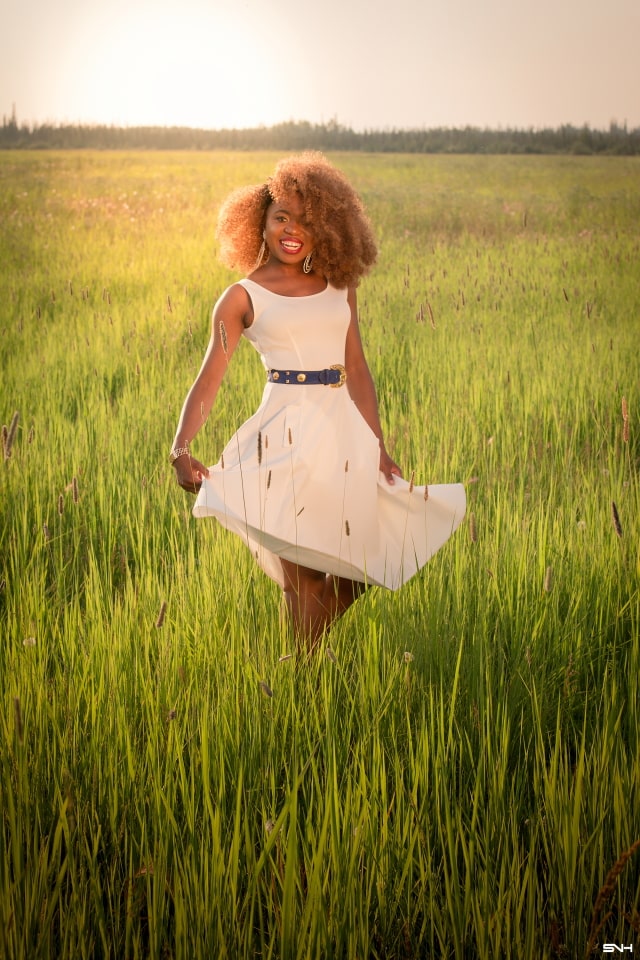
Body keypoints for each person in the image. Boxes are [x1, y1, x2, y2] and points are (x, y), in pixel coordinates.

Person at [170, 152, 465, 650]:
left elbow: (359, 370)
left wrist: (377, 445)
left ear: (325, 224)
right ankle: (306, 680)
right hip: (281, 441)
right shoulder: (241, 298)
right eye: (281, 216)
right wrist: (181, 448)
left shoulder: (339, 285)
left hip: (342, 435)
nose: (292, 229)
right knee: (304, 577)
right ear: (259, 223)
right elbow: (209, 380)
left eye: (305, 219)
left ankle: (301, 662)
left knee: (366, 562)